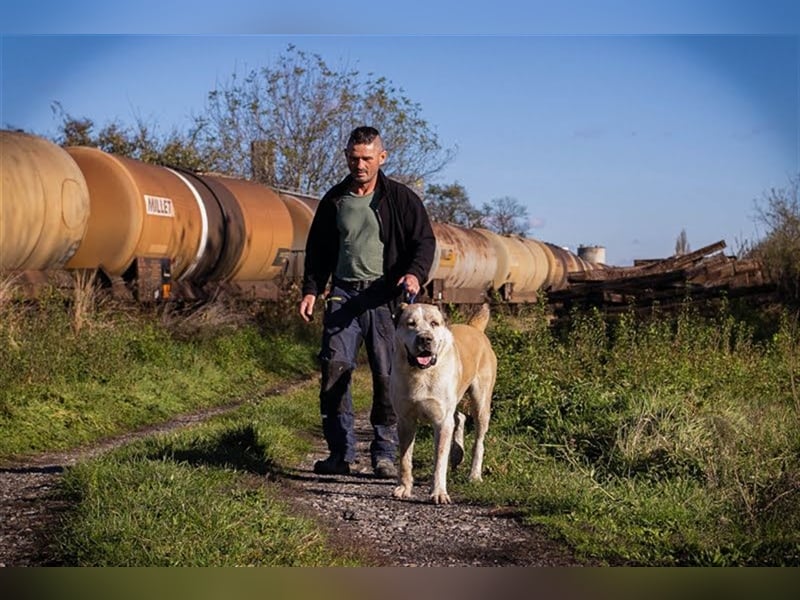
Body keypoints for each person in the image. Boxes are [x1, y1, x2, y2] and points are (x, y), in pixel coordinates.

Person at [299, 126, 435, 478]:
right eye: (353, 158)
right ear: (346, 156)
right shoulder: (335, 200)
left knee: (387, 375)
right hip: (343, 296)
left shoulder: (401, 199)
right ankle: (340, 453)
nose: (359, 165)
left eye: (367, 158)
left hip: (385, 298)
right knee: (334, 369)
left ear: (382, 158)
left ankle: (386, 452)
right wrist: (312, 289)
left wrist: (415, 275)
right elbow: (318, 250)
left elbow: (424, 243)